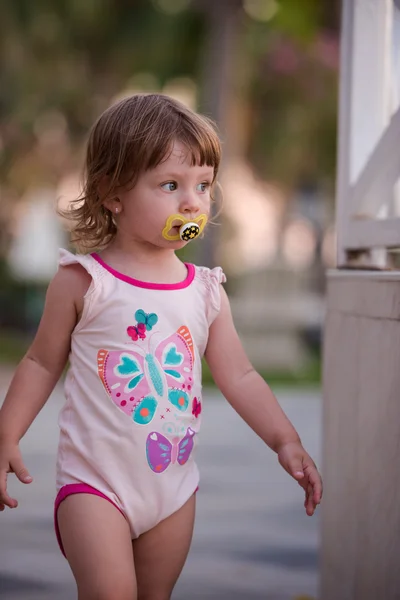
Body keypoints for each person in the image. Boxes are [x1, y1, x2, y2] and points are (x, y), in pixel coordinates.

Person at [0, 93, 322, 600]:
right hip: (94, 483)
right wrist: (7, 433)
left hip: (173, 489)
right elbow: (41, 362)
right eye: (170, 185)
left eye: (203, 186)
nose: (192, 202)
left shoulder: (205, 290)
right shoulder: (84, 281)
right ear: (112, 193)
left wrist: (284, 440)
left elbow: (240, 376)